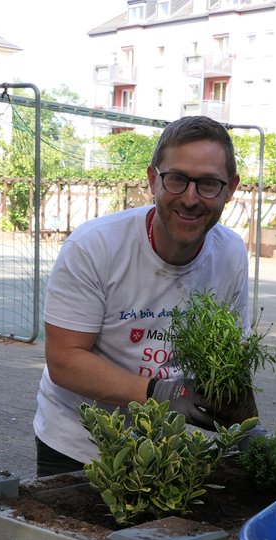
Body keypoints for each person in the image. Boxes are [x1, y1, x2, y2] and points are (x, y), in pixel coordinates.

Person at [33, 116, 249, 477]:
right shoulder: (95, 246)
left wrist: (242, 422)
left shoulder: (230, 253)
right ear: (153, 180)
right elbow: (64, 360)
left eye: (209, 183)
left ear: (231, 189)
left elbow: (231, 354)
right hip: (82, 445)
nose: (191, 199)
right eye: (177, 179)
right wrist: (160, 394)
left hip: (172, 445)